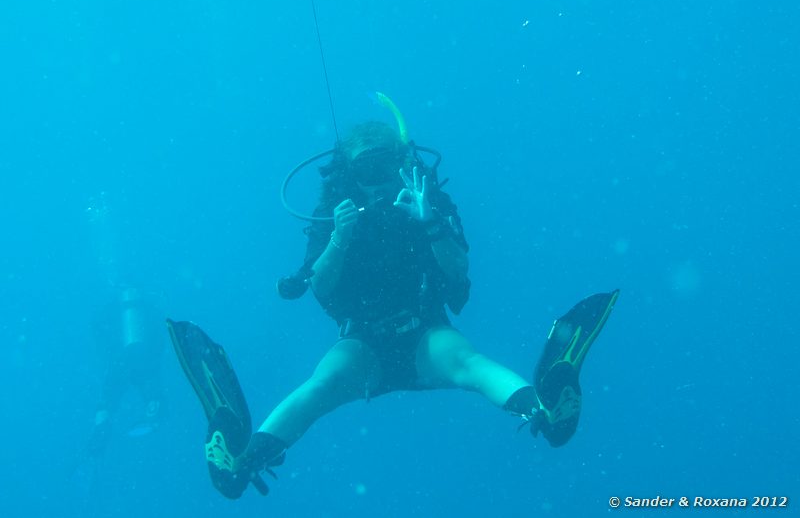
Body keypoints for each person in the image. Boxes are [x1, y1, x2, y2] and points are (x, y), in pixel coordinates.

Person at [170, 119, 618, 499]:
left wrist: (429, 221)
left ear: (401, 161)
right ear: (349, 171)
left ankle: (543, 407)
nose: (378, 175)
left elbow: (458, 273)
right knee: (323, 384)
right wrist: (340, 236)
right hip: (361, 339)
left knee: (467, 363)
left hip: (426, 330)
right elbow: (320, 287)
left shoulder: (429, 200)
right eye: (366, 166)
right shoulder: (331, 213)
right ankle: (243, 458)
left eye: (385, 162)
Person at [86, 286, 166, 458]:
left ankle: (101, 427)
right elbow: (161, 337)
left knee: (107, 400)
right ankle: (153, 415)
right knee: (153, 396)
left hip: (120, 363)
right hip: (144, 360)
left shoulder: (110, 307)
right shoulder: (148, 306)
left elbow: (97, 331)